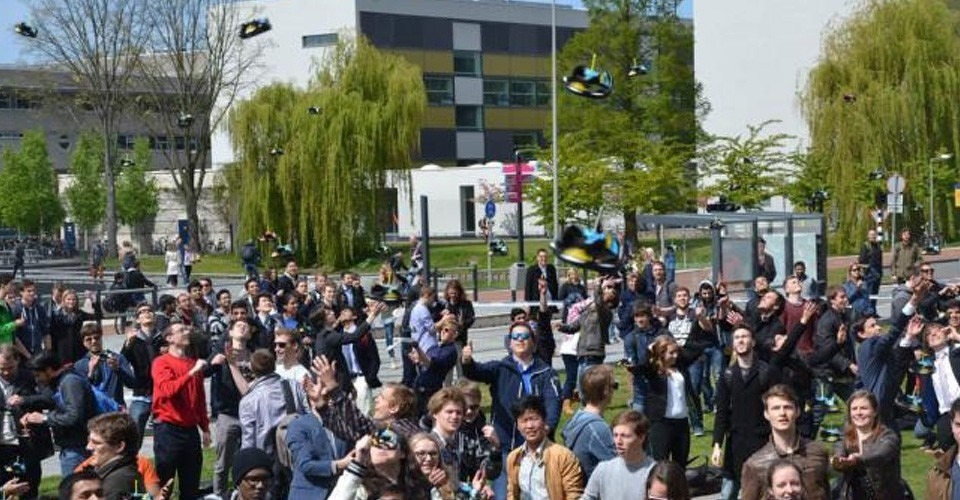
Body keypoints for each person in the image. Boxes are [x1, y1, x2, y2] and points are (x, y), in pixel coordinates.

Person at [462, 321, 561, 498]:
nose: (520, 340)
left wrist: (546, 429)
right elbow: (476, 371)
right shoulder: (500, 368)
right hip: (505, 447)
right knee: (503, 495)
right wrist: (467, 361)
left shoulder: (546, 373)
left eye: (524, 336)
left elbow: (553, 404)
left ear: (533, 342)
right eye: (515, 337)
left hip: (536, 448)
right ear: (509, 343)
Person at [712, 327, 782, 500]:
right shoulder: (727, 375)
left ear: (753, 341)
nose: (741, 341)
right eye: (736, 337)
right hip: (735, 443)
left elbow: (778, 407)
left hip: (762, 441)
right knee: (728, 492)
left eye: (744, 337)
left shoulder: (767, 372)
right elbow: (721, 412)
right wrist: (717, 444)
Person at [150, 324, 211, 500]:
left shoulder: (193, 364)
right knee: (165, 485)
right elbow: (168, 390)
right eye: (181, 330)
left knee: (191, 486)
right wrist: (191, 373)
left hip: (190, 430)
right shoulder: (161, 362)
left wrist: (205, 428)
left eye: (187, 330)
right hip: (168, 429)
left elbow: (199, 400)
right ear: (169, 338)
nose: (187, 332)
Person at [739, 384, 829, 500]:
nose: (782, 413)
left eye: (787, 407)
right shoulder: (755, 465)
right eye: (776, 408)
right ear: (766, 414)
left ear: (797, 411)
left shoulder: (818, 452)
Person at [22, 351, 92, 476]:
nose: (37, 380)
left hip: (77, 448)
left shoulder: (70, 382)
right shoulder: (60, 382)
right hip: (71, 447)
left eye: (38, 375)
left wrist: (44, 418)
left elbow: (73, 416)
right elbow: (47, 399)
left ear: (49, 370)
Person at [286, 370, 350, 500]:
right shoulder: (299, 425)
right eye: (326, 396)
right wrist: (339, 465)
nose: (331, 401)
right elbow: (305, 464)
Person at [830, 390, 903, 500]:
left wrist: (859, 459)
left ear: (875, 412)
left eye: (864, 408)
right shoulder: (843, 436)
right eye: (854, 409)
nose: (858, 413)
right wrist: (839, 461)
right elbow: (838, 451)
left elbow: (880, 454)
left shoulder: (889, 436)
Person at [505, 395, 583, 500]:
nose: (529, 425)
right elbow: (512, 493)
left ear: (544, 421)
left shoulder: (564, 456)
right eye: (524, 420)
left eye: (534, 419)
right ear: (518, 426)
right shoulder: (513, 458)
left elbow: (573, 495)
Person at [0, 345, 51, 500]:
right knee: (6, 489)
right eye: (2, 369)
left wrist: (24, 400)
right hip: (3, 446)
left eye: (10, 368)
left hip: (27, 443)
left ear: (18, 360)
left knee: (29, 488)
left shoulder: (31, 377)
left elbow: (49, 398)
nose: (6, 373)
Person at [327, 428, 433, 499]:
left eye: (389, 441)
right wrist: (357, 464)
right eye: (376, 443)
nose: (382, 446)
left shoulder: (418, 485)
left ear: (402, 453)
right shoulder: (358, 485)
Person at [582, 410, 656, 500]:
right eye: (615, 435)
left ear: (641, 437)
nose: (618, 441)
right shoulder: (603, 469)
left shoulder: (654, 472)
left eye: (625, 436)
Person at [561, 365, 615, 479]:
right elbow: (618, 465)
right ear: (606, 391)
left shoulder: (577, 418)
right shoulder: (597, 428)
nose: (614, 391)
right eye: (614, 386)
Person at [73, 322, 136, 408]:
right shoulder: (79, 365)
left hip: (116, 408)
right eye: (89, 339)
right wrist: (90, 373)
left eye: (96, 338)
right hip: (94, 411)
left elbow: (131, 383)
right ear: (83, 343)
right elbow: (79, 392)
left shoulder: (117, 358)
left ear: (101, 338)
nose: (94, 341)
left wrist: (118, 369)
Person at [84, 412, 142, 500]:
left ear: (119, 446)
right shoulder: (110, 475)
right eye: (89, 441)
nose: (88, 447)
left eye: (96, 443)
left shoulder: (115, 485)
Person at [410, 317, 459, 413]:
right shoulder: (435, 347)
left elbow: (431, 364)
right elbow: (423, 362)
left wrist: (417, 348)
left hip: (431, 391)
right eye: (442, 329)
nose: (443, 332)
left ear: (455, 334)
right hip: (419, 387)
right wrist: (417, 359)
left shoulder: (451, 351)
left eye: (447, 330)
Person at [49, 289, 98, 364]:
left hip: (77, 351)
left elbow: (96, 316)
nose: (71, 302)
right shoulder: (56, 315)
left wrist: (94, 302)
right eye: (68, 299)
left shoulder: (80, 314)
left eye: (73, 299)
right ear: (64, 300)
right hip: (62, 352)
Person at [524, 249, 559, 314]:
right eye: (541, 256)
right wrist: (527, 304)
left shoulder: (551, 268)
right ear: (537, 258)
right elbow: (528, 288)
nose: (544, 258)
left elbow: (555, 285)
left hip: (550, 301)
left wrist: (556, 299)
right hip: (537, 301)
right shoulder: (532, 270)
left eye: (545, 256)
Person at [858, 229, 883, 298]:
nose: (873, 236)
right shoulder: (865, 246)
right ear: (868, 236)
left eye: (874, 234)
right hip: (869, 276)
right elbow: (861, 261)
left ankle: (873, 308)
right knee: (868, 296)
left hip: (877, 275)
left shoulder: (878, 247)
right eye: (871, 235)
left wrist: (880, 273)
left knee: (875, 296)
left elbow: (880, 261)